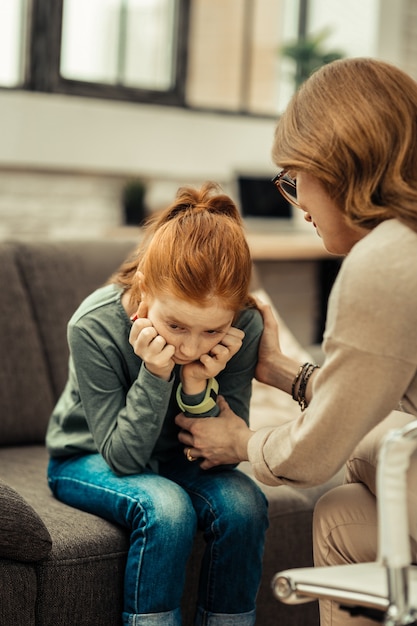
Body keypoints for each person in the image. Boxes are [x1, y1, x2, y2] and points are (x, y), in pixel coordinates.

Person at [175, 58, 417, 626]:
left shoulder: (385, 261)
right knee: (341, 515)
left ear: (335, 166)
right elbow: (379, 392)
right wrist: (284, 372)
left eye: (294, 176)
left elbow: (316, 453)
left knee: (366, 452)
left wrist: (242, 442)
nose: (297, 199)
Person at [46, 182, 269, 626]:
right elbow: (125, 458)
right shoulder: (93, 326)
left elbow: (220, 455)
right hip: (88, 455)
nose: (190, 346)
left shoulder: (244, 327)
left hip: (177, 458)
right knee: (165, 507)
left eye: (211, 330)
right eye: (176, 325)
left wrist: (196, 386)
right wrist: (155, 374)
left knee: (245, 505)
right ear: (145, 290)